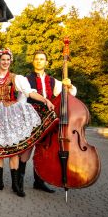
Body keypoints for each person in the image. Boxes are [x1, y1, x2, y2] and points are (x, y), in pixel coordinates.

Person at [0, 48, 55, 198]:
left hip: (10, 114)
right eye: (3, 60)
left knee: (13, 148)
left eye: (8, 60)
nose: (5, 62)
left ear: (11, 61)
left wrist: (45, 99)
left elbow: (29, 93)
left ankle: (15, 184)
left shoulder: (17, 78)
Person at [18, 50, 77, 194]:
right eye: (36, 59)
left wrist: (68, 86)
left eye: (42, 59)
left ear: (46, 62)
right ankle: (19, 182)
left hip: (47, 119)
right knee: (26, 150)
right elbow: (23, 100)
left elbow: (70, 94)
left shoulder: (53, 81)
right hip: (31, 118)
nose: (39, 61)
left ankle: (39, 182)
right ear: (33, 61)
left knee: (43, 151)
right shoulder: (25, 79)